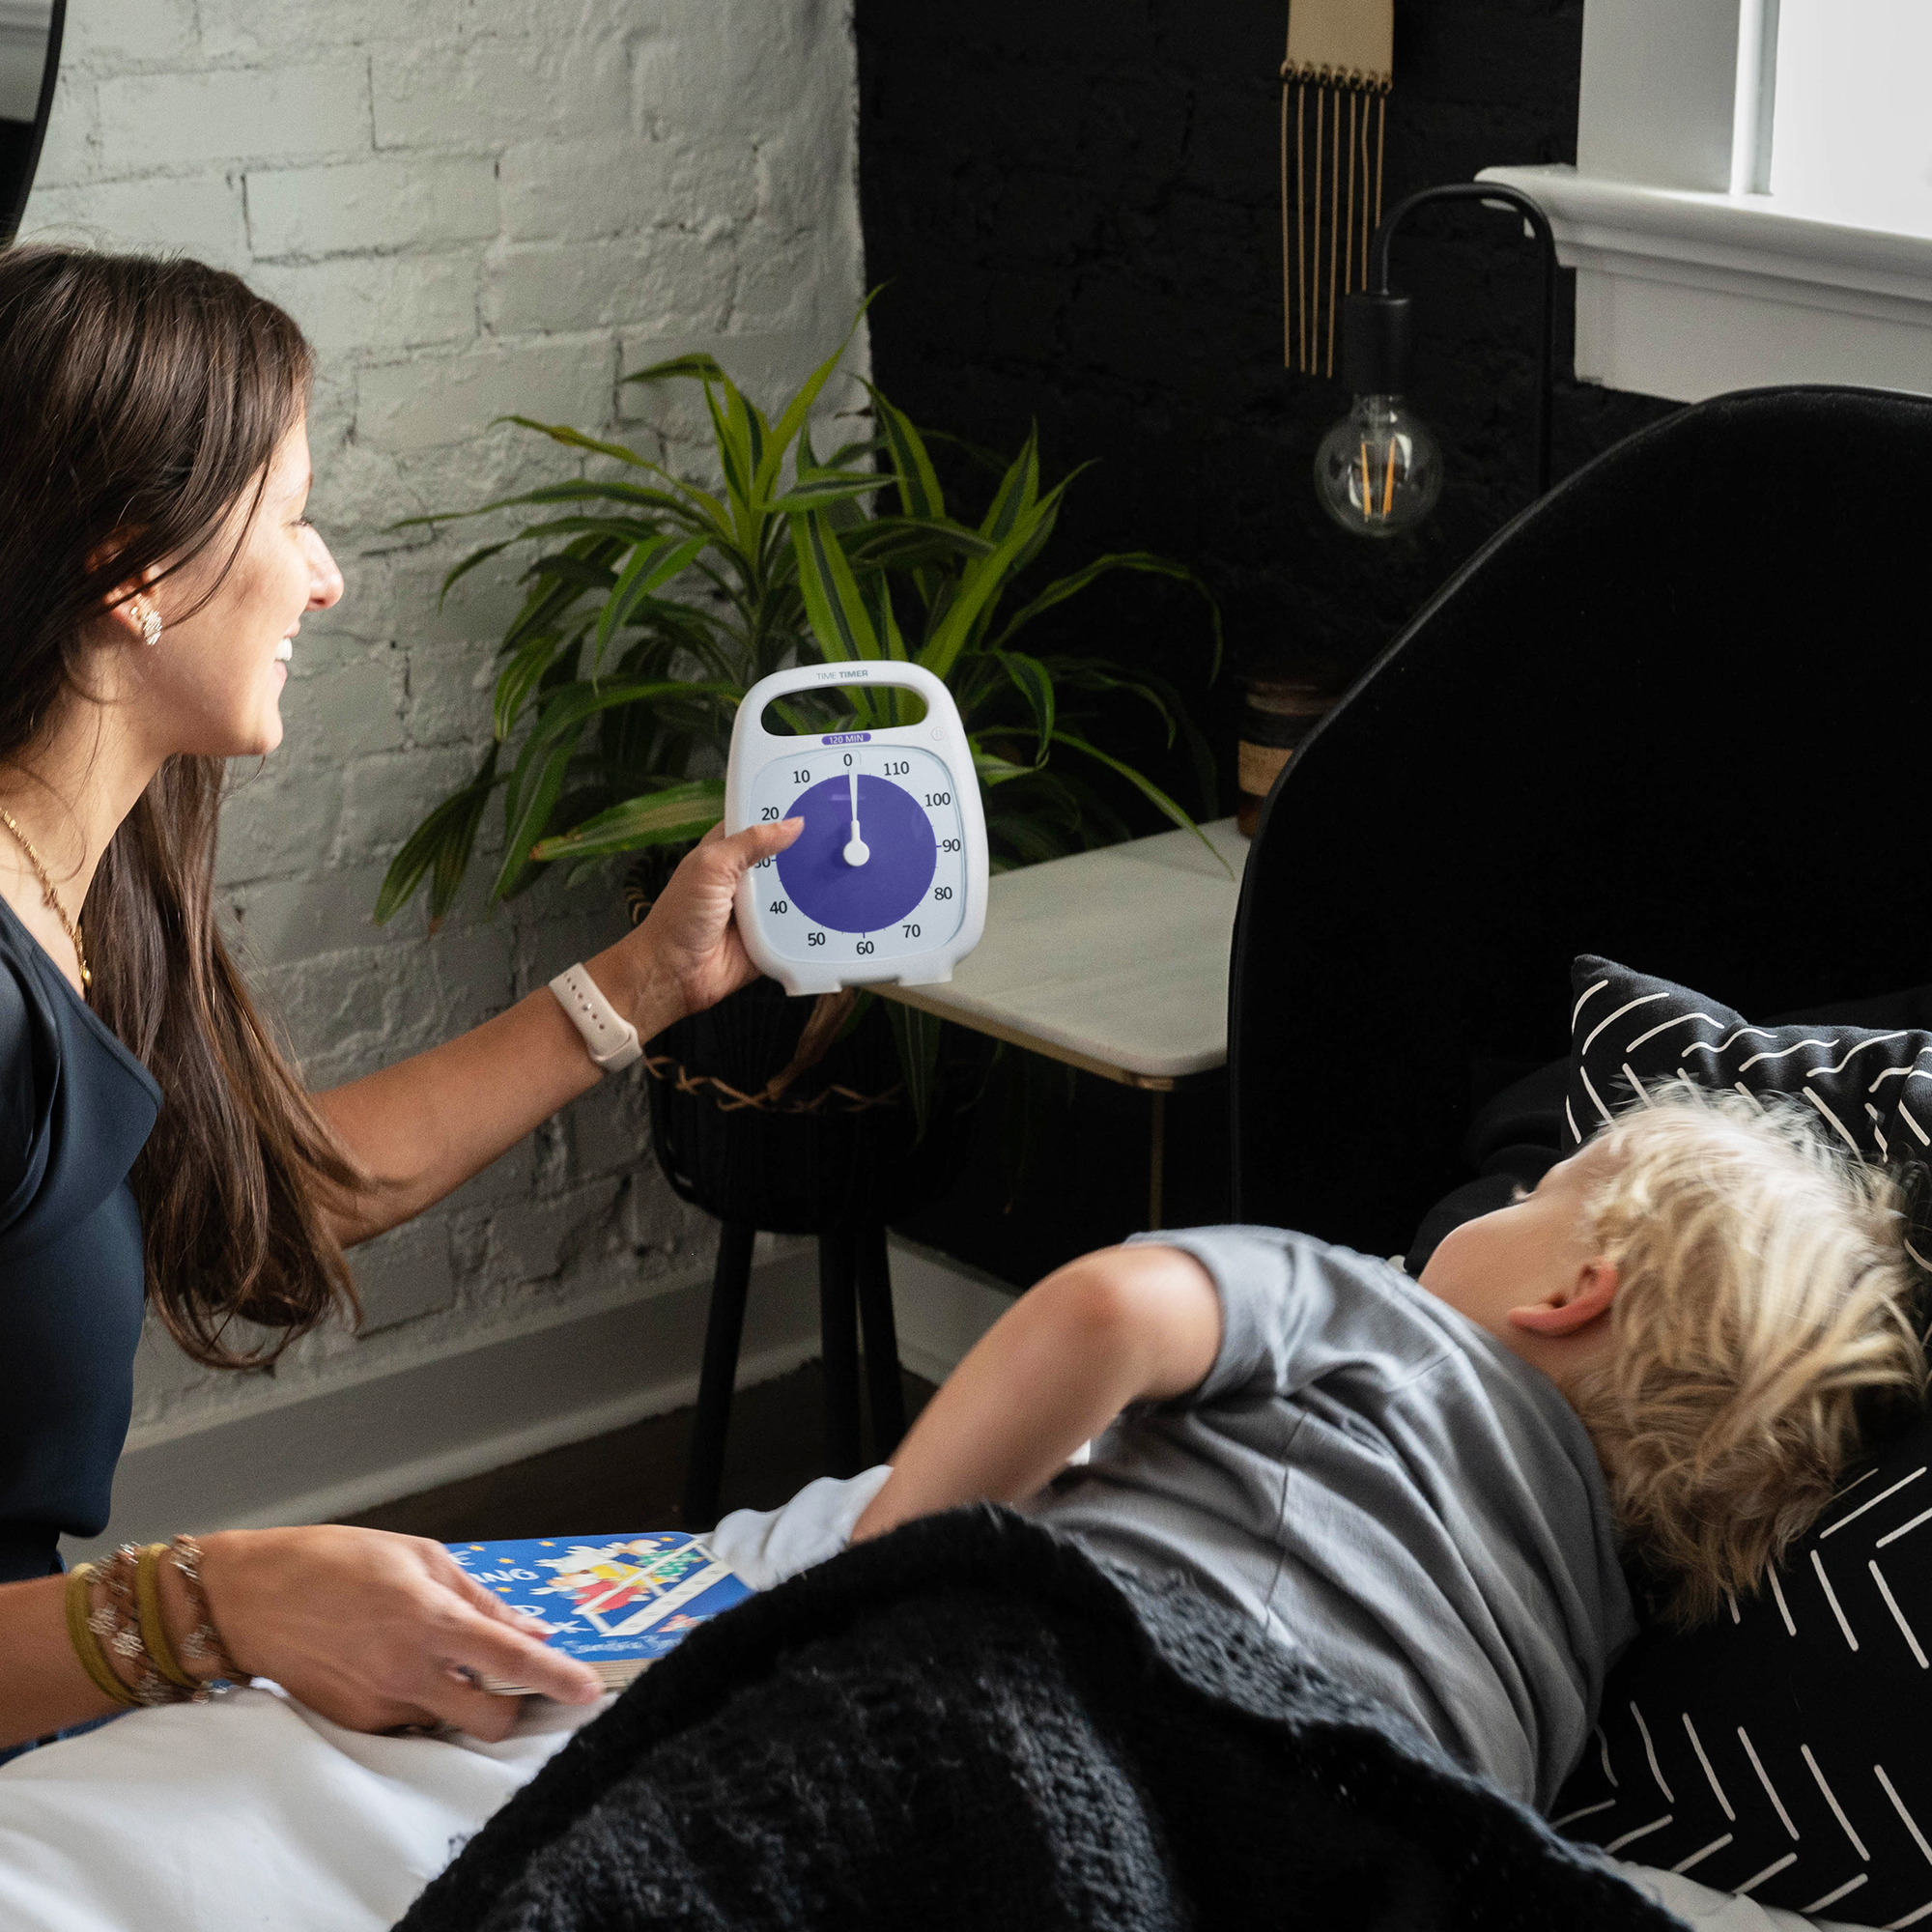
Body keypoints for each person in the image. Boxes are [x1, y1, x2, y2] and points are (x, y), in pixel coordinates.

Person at [0, 245, 803, 1756]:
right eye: (293, 518)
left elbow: (279, 1190)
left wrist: (650, 982)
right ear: (130, 573)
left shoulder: (83, 889)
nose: (325, 574)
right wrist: (211, 1601)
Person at [848, 1086, 1928, 1809]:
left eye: (1529, 1195)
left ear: (1567, 1294)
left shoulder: (1372, 1313)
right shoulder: (1571, 1650)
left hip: (1095, 1702)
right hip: (1345, 1837)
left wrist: (877, 1561)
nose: (1496, 1198)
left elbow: (1106, 1312)